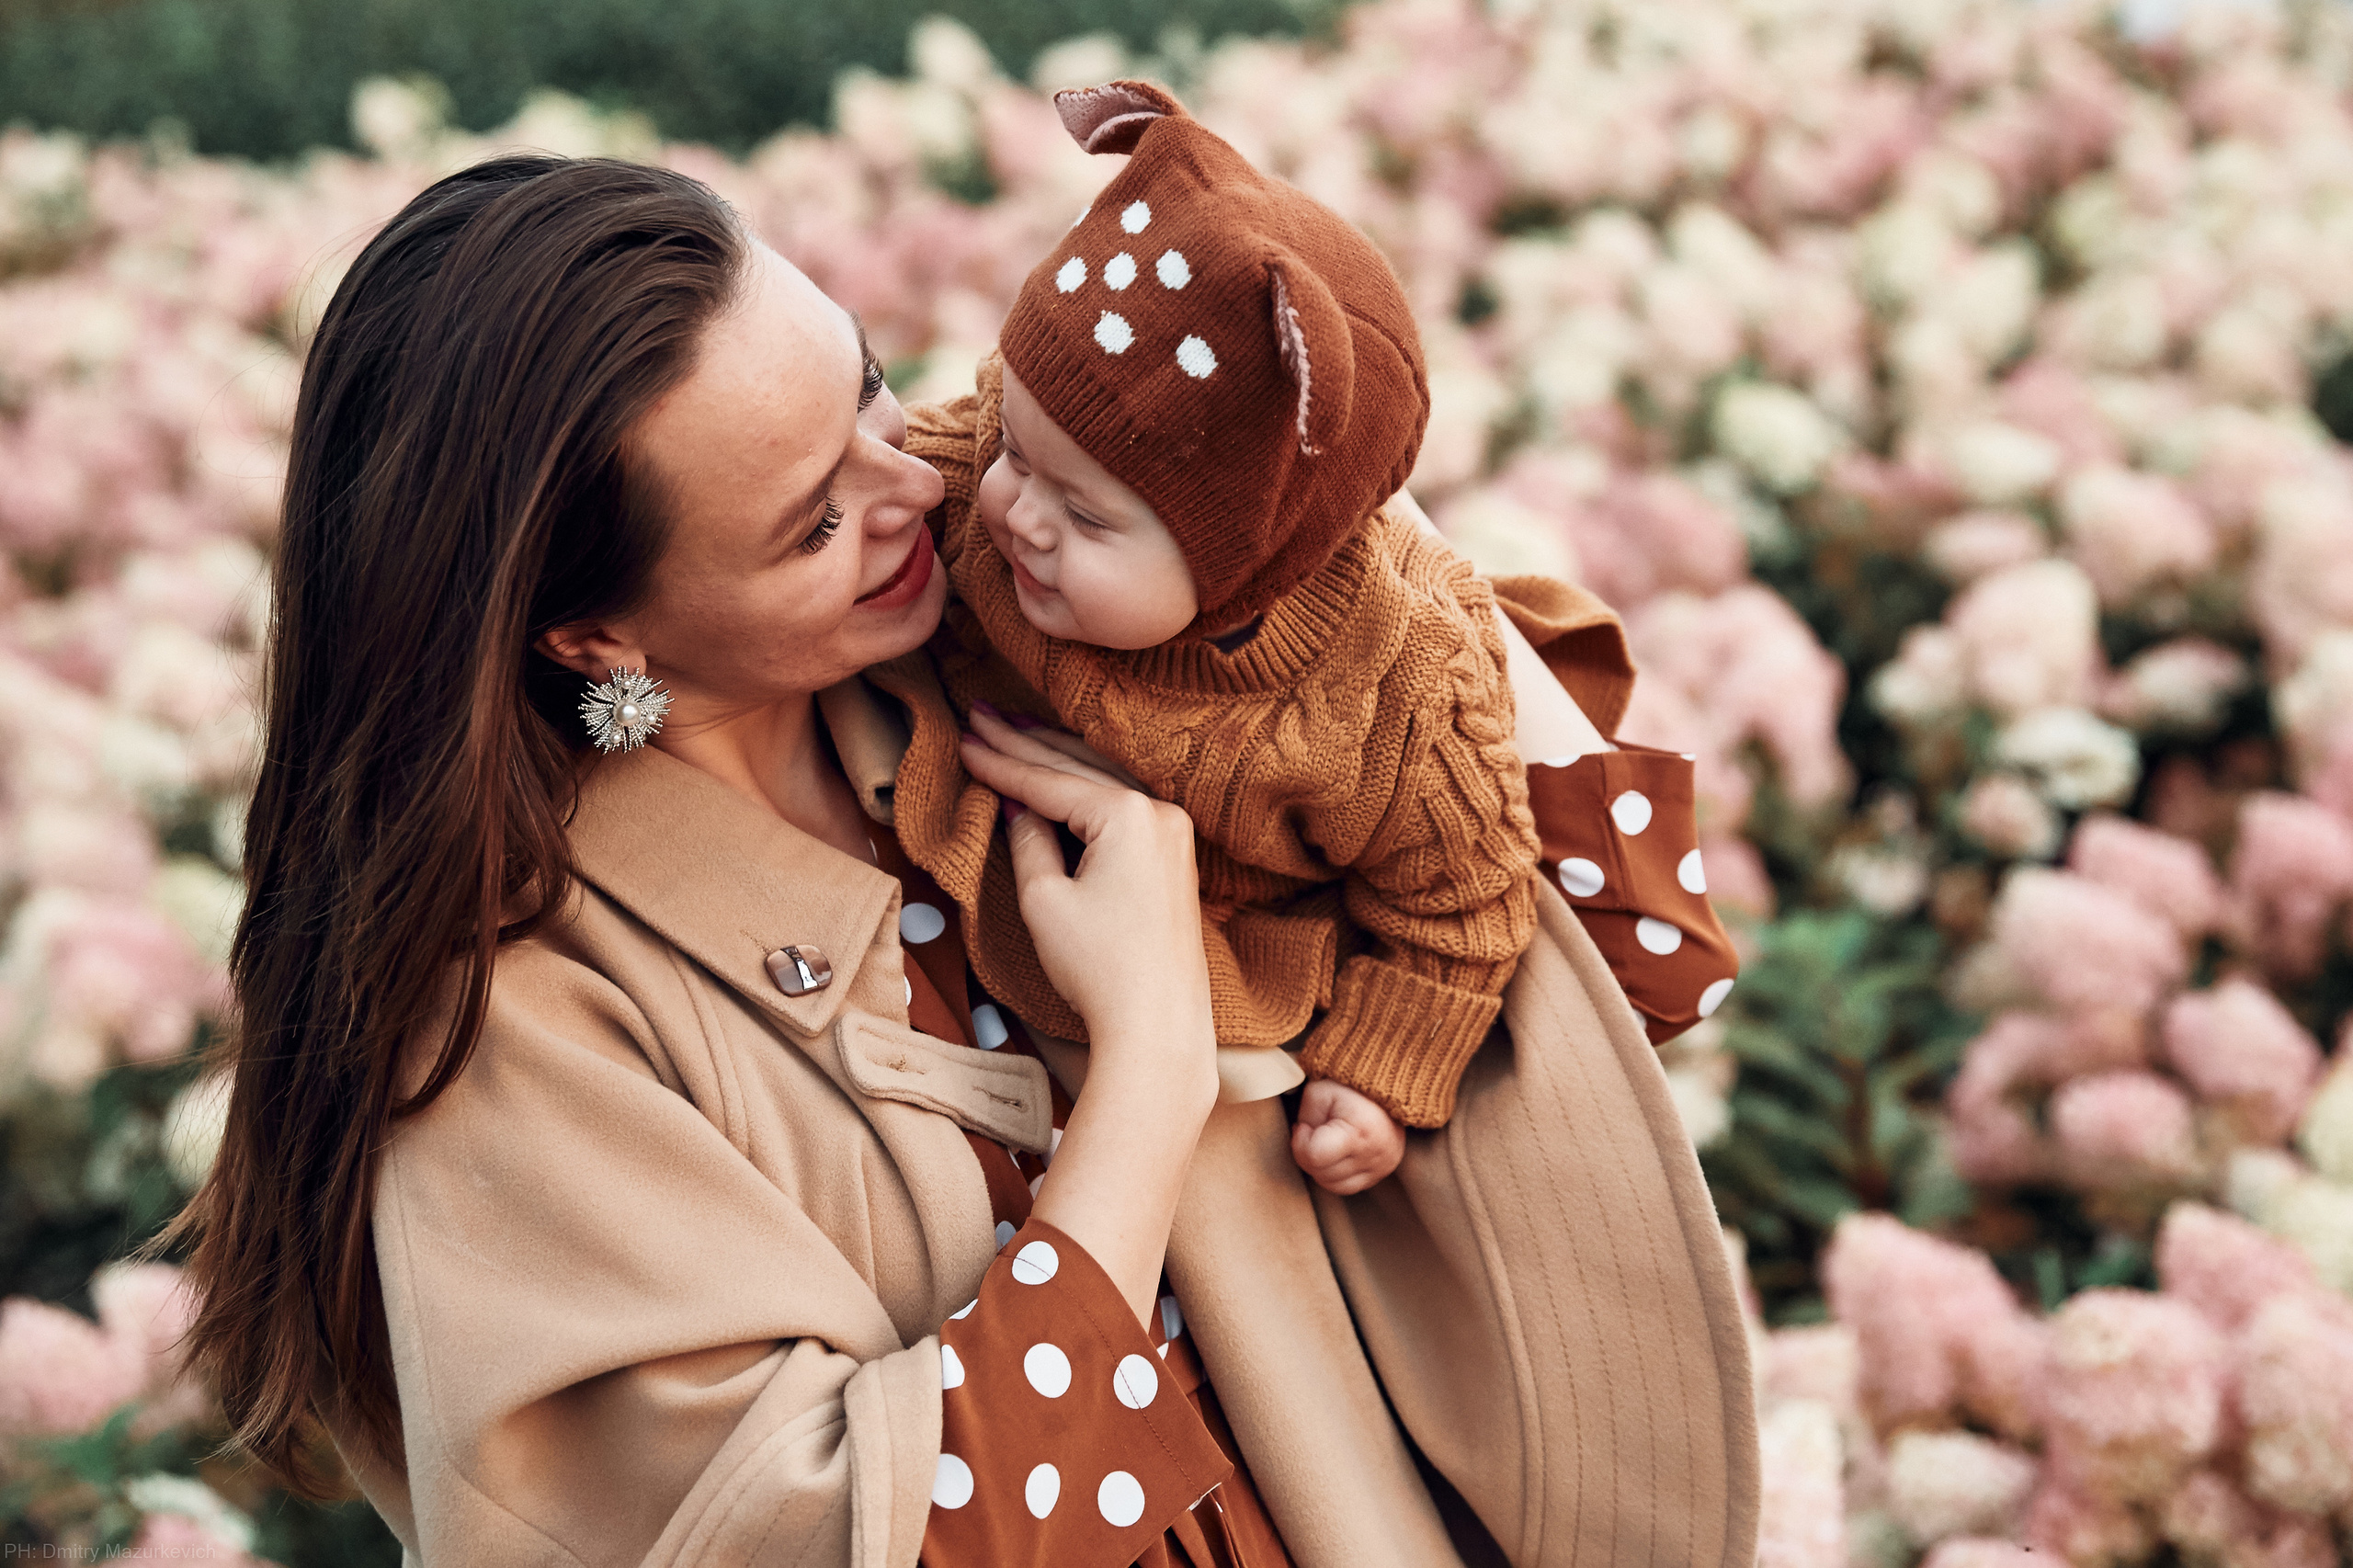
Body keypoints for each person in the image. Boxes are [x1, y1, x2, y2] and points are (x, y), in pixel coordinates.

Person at [168, 153, 1757, 1567]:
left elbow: (1640, 957)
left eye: (863, 386)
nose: (918, 482)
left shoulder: (1040, 615)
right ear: (598, 636)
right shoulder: (509, 1023)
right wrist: (1149, 1066)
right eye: (811, 523)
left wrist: (1332, 541)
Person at [893, 81, 1737, 1194]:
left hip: (1210, 989)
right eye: (1015, 442)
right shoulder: (996, 476)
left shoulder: (1390, 699)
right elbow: (928, 466)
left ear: (1252, 557)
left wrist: (1376, 1075)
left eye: (1088, 516)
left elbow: (1459, 904)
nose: (1017, 512)